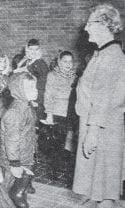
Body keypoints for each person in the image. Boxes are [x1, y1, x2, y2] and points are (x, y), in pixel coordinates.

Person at [73, 4, 125, 208]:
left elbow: (103, 98)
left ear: (104, 25)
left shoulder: (111, 57)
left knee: (105, 192)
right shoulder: (103, 54)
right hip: (101, 127)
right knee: (98, 188)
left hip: (103, 130)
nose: (86, 28)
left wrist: (92, 132)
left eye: (90, 23)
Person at [0, 73, 38, 208]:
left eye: (35, 87)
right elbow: (11, 140)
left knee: (19, 191)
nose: (36, 90)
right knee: (8, 192)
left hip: (24, 157)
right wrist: (14, 164)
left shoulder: (27, 107)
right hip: (14, 161)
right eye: (30, 88)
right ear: (19, 90)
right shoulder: (15, 112)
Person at [42, 51, 76, 179]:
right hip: (57, 113)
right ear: (59, 62)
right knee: (56, 144)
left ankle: (66, 170)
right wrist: (49, 114)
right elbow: (48, 95)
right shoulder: (52, 75)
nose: (68, 64)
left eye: (70, 61)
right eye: (65, 61)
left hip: (71, 114)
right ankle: (52, 171)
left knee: (69, 142)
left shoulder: (74, 76)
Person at [13, 39, 49, 124]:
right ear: (27, 49)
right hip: (24, 98)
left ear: (39, 50)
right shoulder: (26, 61)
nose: (33, 52)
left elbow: (43, 85)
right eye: (31, 49)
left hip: (35, 100)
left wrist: (37, 101)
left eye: (36, 49)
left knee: (34, 124)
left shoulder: (41, 63)